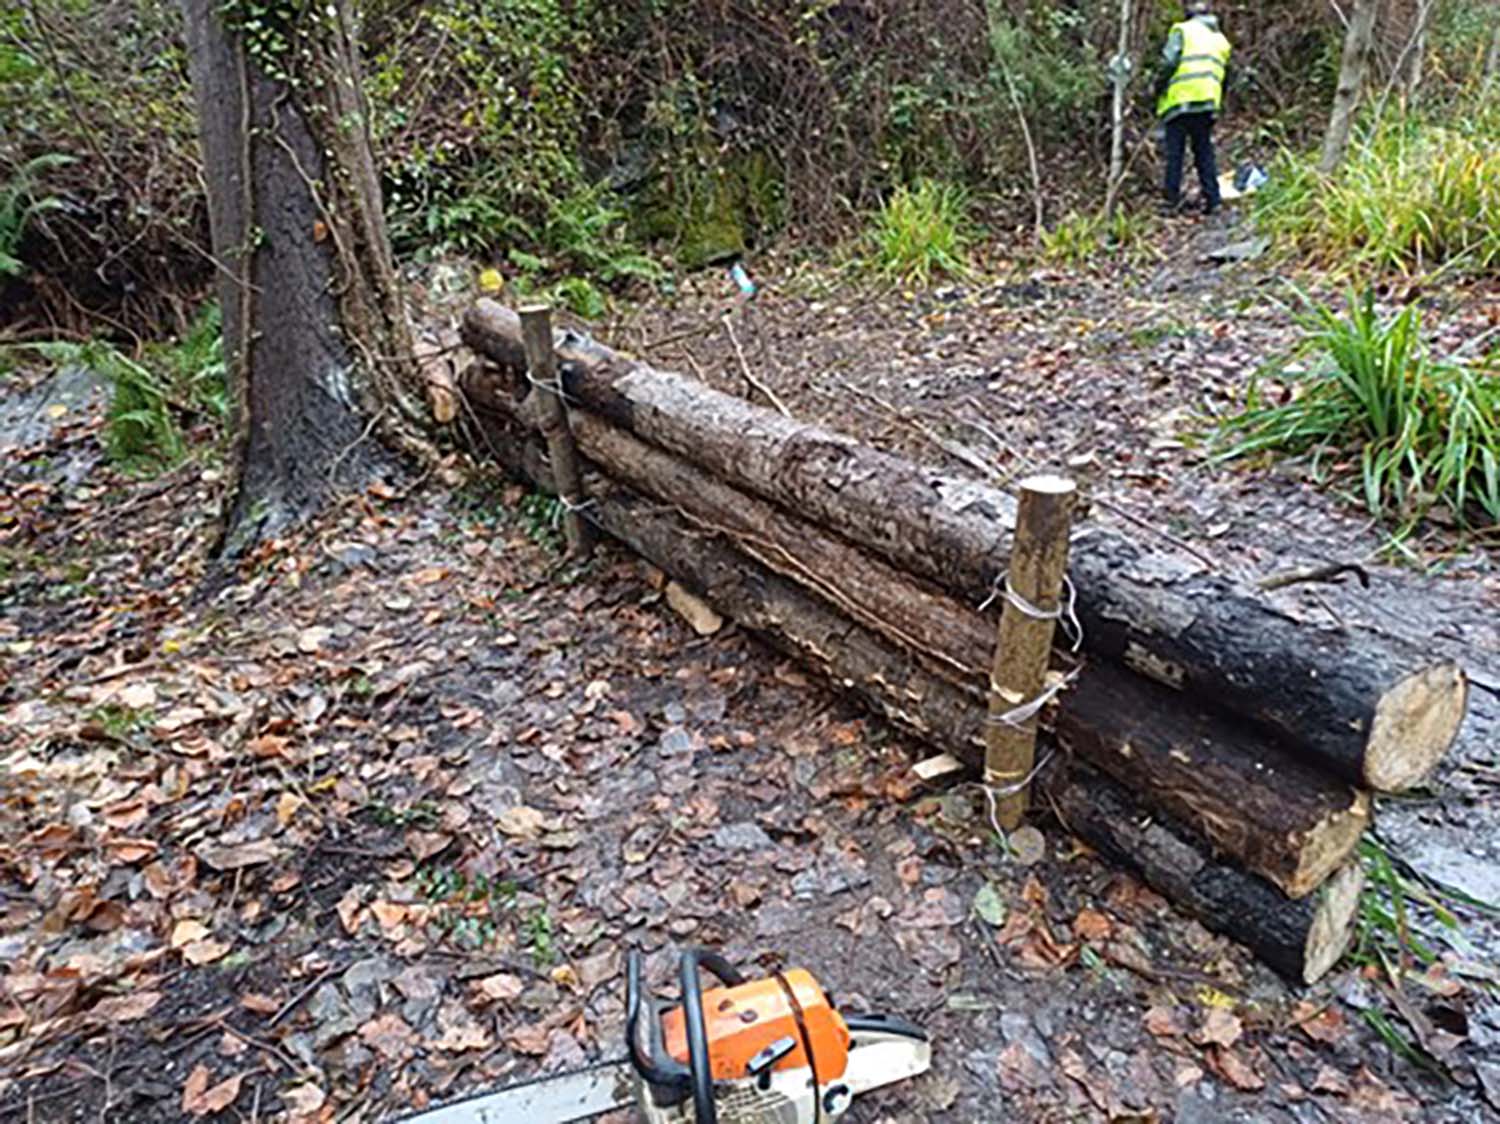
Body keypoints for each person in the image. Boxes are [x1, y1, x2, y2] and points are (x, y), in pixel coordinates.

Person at [1155, 1, 1232, 215]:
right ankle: (1213, 199)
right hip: (1207, 101)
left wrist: (1157, 88)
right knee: (1204, 150)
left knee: (1175, 153)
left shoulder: (1183, 30)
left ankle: (1171, 202)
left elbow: (1169, 63)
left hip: (1180, 100)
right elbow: (1225, 76)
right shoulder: (1220, 40)